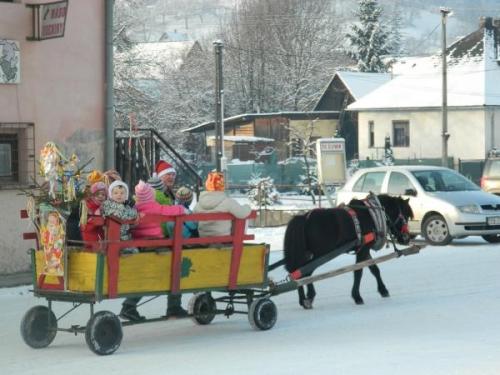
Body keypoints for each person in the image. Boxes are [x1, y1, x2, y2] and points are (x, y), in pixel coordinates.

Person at [120, 180, 186, 322]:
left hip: (139, 244)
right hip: (156, 244)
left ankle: (129, 306)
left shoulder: (135, 208)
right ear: (151, 196)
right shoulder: (155, 206)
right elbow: (171, 210)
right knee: (176, 267)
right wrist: (182, 209)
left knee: (144, 275)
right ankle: (174, 307)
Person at [152, 160, 188, 318]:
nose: (171, 177)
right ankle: (174, 306)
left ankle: (174, 306)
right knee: (175, 266)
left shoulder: (168, 192)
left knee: (174, 266)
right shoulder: (155, 193)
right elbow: (163, 212)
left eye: (173, 174)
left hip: (166, 234)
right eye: (168, 175)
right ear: (160, 177)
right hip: (157, 236)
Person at [194, 171, 252, 238]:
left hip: (203, 239)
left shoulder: (199, 204)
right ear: (222, 186)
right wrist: (247, 206)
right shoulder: (227, 202)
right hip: (223, 239)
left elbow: (193, 219)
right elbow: (242, 213)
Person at [101, 180, 139, 255]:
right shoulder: (109, 205)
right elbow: (122, 215)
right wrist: (134, 214)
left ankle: (128, 258)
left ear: (126, 195)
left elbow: (132, 214)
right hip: (112, 235)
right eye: (116, 193)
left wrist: (136, 213)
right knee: (116, 248)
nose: (119, 195)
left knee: (134, 250)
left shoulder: (127, 207)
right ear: (111, 195)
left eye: (122, 193)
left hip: (125, 235)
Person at [80, 181, 107, 248]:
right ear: (93, 196)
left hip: (98, 237)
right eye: (97, 194)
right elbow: (89, 223)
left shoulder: (103, 207)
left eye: (103, 195)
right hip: (89, 237)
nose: (100, 196)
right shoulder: (88, 206)